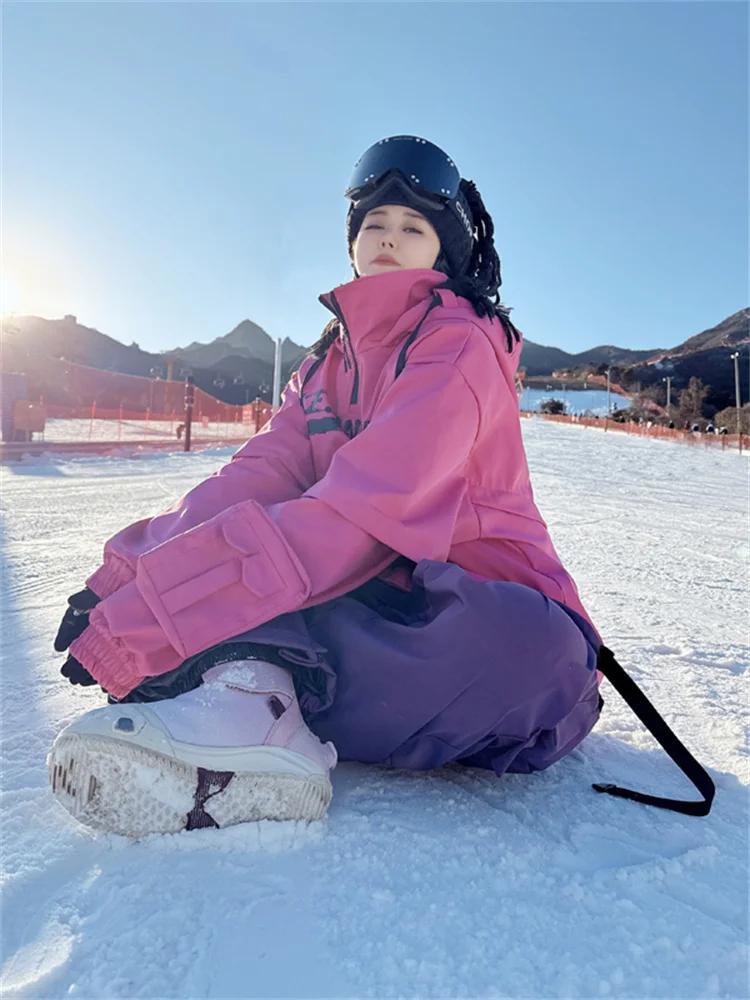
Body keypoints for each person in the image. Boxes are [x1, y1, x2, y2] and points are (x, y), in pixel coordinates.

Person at [48, 136, 713, 837]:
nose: (389, 238)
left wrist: (165, 616)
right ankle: (253, 703)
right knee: (245, 562)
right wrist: (127, 576)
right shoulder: (323, 367)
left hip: (473, 612)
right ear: (352, 244)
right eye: (374, 225)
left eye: (413, 228)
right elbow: (253, 481)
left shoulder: (460, 345)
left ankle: (252, 691)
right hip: (369, 602)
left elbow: (366, 513)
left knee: (527, 650)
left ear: (444, 251)